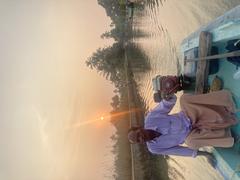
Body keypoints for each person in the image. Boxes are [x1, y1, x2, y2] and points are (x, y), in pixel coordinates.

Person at [128, 90, 238, 159]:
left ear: (139, 128)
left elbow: (169, 103)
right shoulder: (154, 148)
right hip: (192, 134)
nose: (141, 138)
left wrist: (166, 96)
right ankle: (227, 135)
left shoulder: (151, 118)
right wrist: (206, 155)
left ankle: (226, 102)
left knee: (184, 99)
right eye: (138, 140)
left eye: (138, 135)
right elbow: (179, 151)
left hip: (189, 116)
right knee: (191, 142)